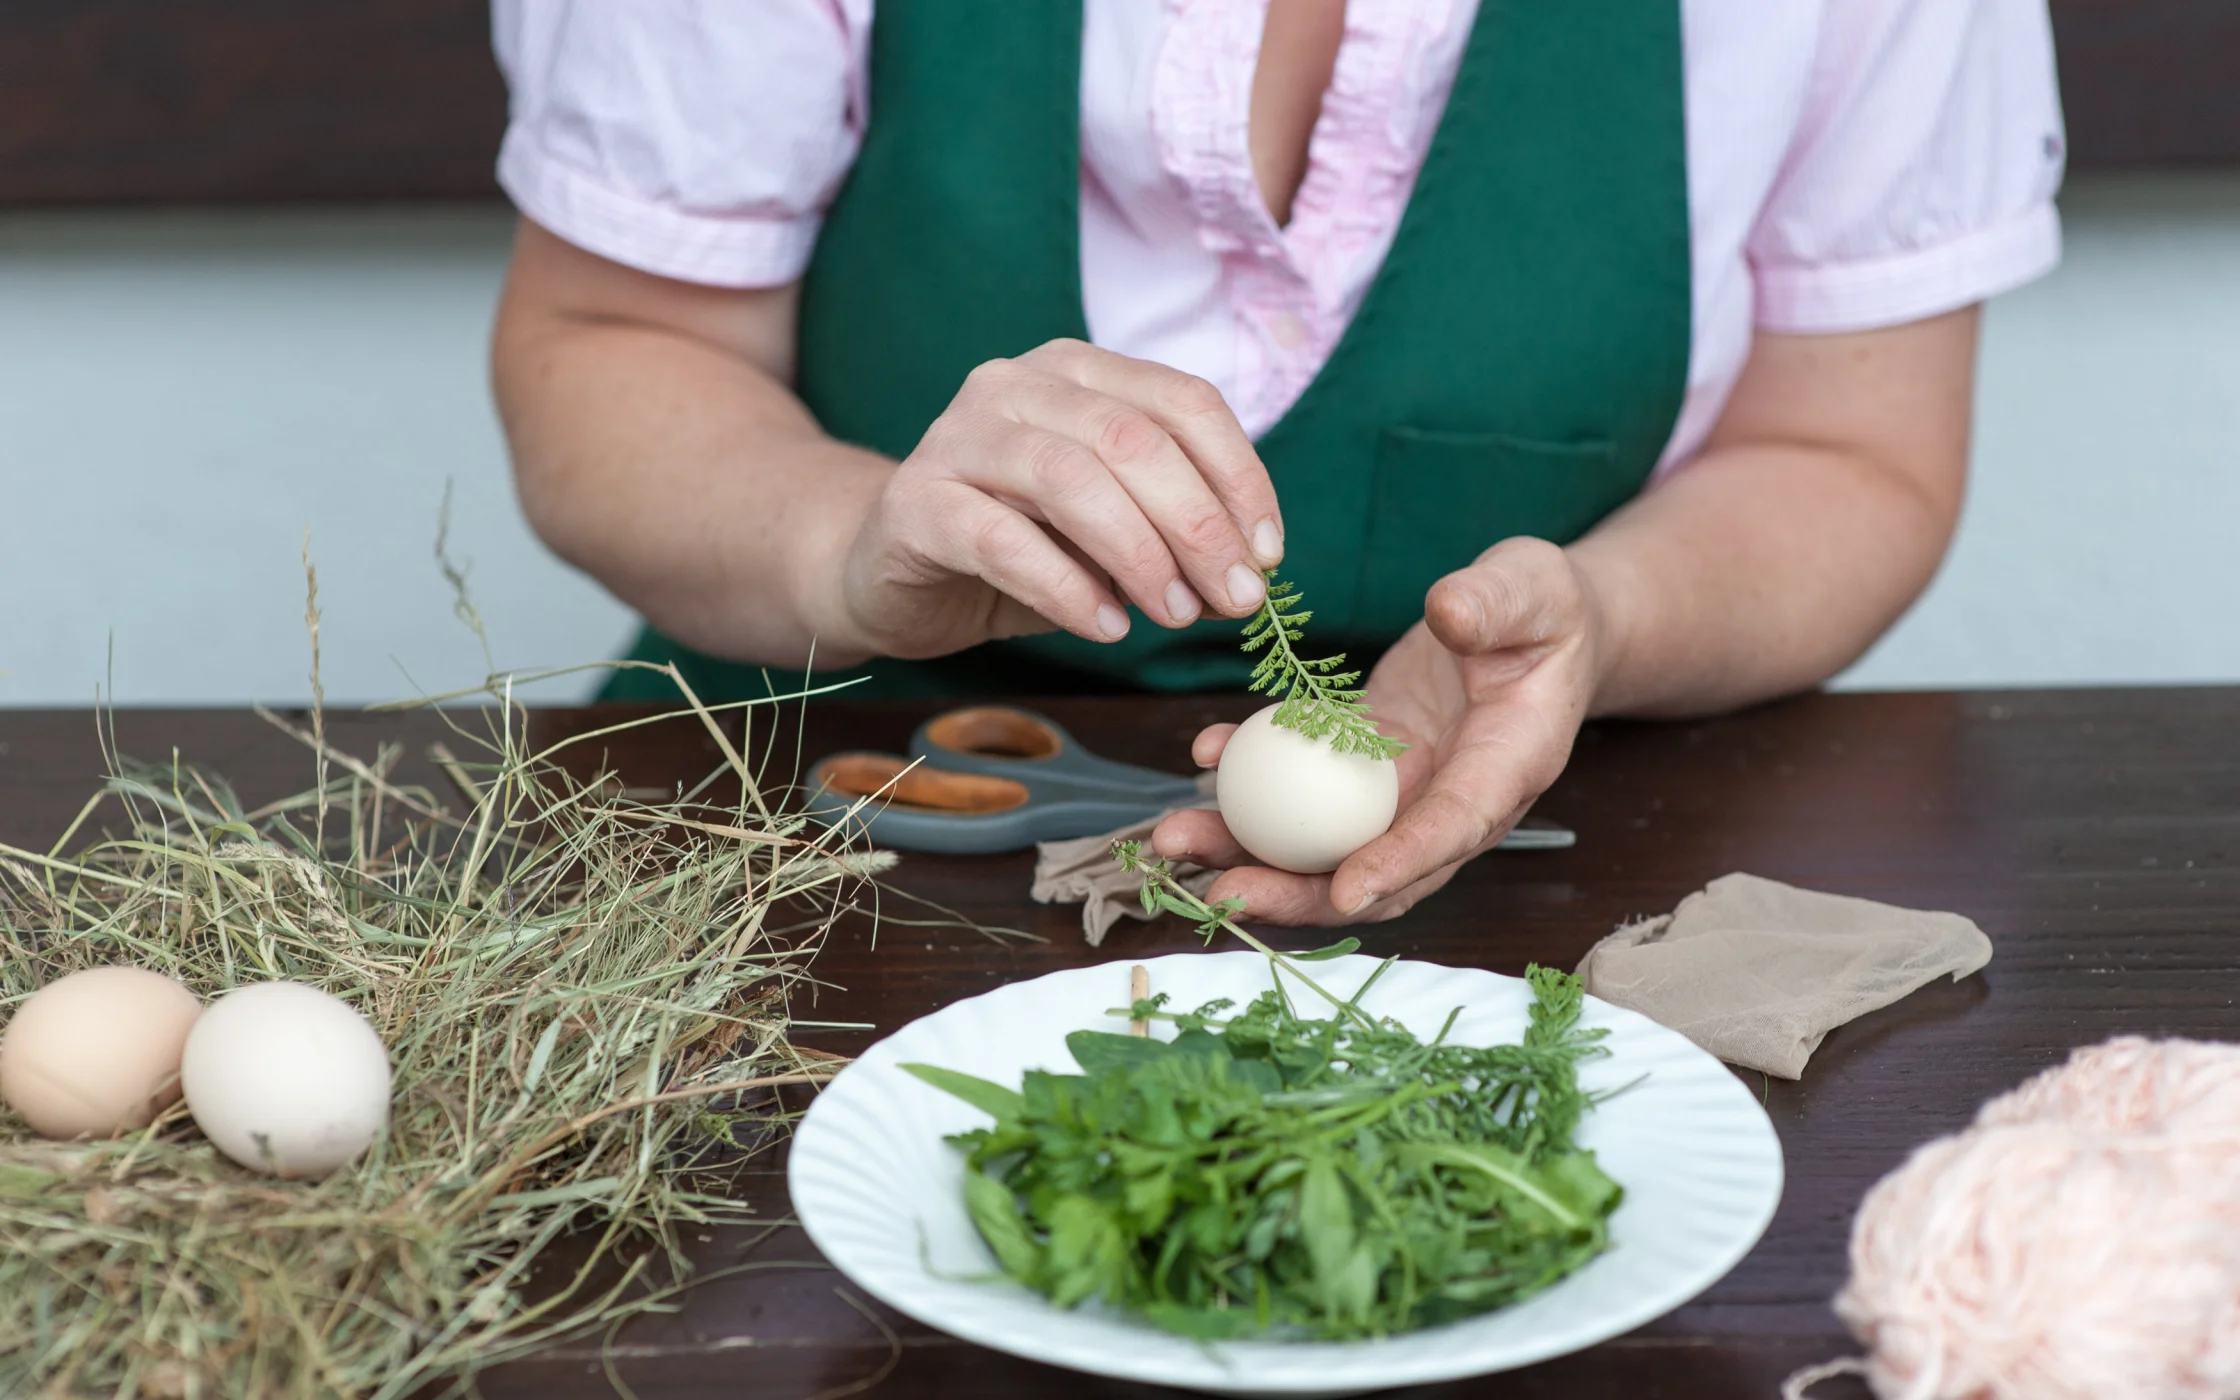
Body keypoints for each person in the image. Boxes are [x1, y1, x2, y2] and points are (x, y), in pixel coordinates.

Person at [488, 1, 2065, 927]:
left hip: (1545, 877)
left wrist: (1604, 618)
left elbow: (1853, 449)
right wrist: (851, 546)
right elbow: (611, 347)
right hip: (792, 845)